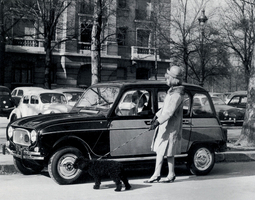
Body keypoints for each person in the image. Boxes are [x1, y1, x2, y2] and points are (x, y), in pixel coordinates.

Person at [144, 65, 184, 183]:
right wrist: (156, 116)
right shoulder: (171, 93)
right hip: (165, 126)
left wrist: (157, 121)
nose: (166, 79)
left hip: (170, 127)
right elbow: (164, 108)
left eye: (168, 78)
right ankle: (160, 174)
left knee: (168, 152)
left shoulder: (177, 95)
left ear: (174, 79)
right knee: (162, 150)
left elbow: (169, 112)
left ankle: (168, 174)